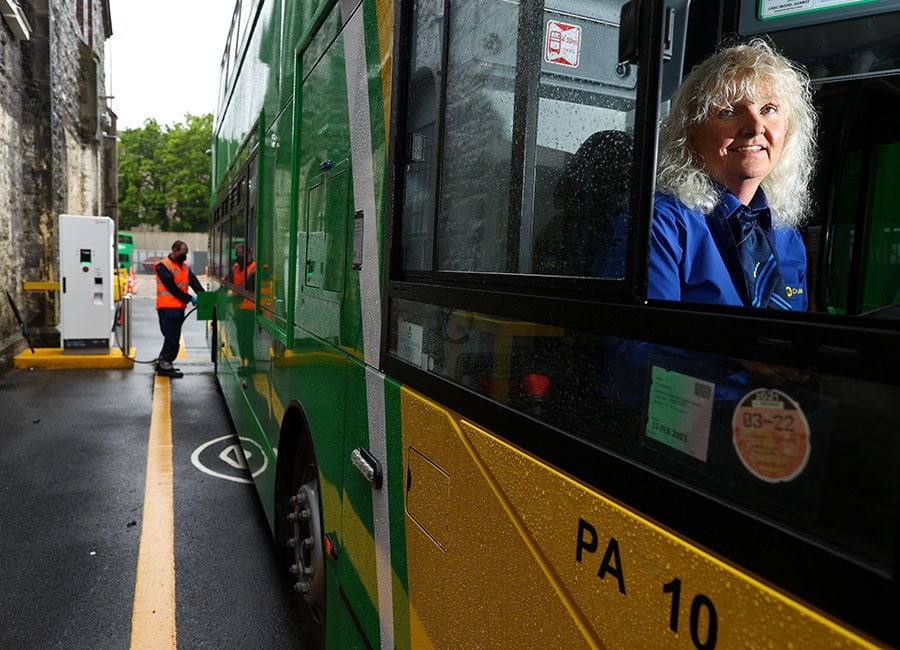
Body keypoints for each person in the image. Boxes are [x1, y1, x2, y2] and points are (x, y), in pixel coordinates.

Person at [650, 37, 818, 312]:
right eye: (729, 111)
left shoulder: (787, 236)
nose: (755, 127)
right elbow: (640, 346)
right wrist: (742, 356)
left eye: (769, 109)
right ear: (690, 133)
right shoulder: (662, 225)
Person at [155, 240, 205, 378]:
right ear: (174, 250)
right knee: (171, 337)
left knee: (172, 336)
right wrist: (190, 299)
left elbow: (194, 283)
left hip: (178, 308)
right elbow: (172, 288)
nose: (185, 255)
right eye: (183, 252)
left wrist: (203, 296)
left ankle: (163, 362)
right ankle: (165, 365)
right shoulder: (163, 266)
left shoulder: (184, 267)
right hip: (167, 307)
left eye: (186, 253)